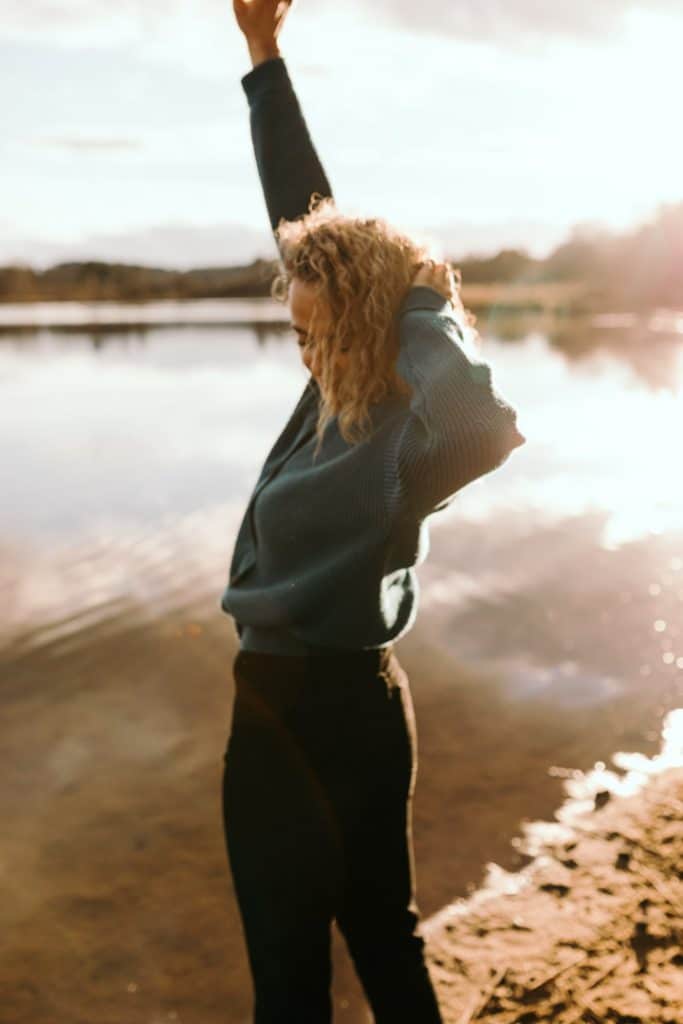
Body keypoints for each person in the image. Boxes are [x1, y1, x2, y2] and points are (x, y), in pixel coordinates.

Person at [221, 2, 527, 1021]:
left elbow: (484, 426)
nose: (301, 351)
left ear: (359, 318)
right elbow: (307, 219)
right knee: (287, 975)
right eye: (295, 332)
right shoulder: (332, 387)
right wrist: (264, 59)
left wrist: (423, 303)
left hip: (343, 712)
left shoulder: (409, 441)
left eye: (315, 330)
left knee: (380, 945)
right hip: (268, 708)